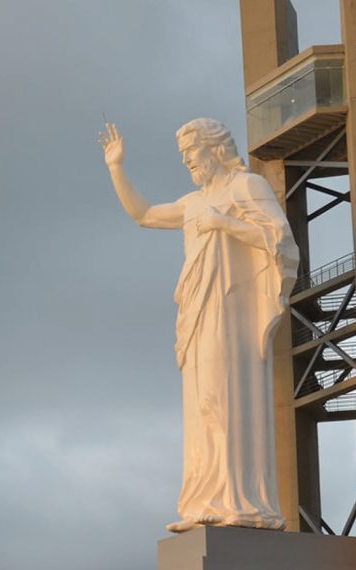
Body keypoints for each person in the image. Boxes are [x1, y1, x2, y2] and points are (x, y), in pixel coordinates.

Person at [99, 118, 298, 532]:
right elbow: (145, 214)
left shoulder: (246, 187)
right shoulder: (192, 202)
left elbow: (279, 240)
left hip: (232, 312)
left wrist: (226, 223)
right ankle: (204, 500)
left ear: (214, 149)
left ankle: (239, 501)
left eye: (192, 152)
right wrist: (117, 168)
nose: (188, 161)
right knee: (202, 404)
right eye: (184, 156)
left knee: (225, 397)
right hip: (198, 312)